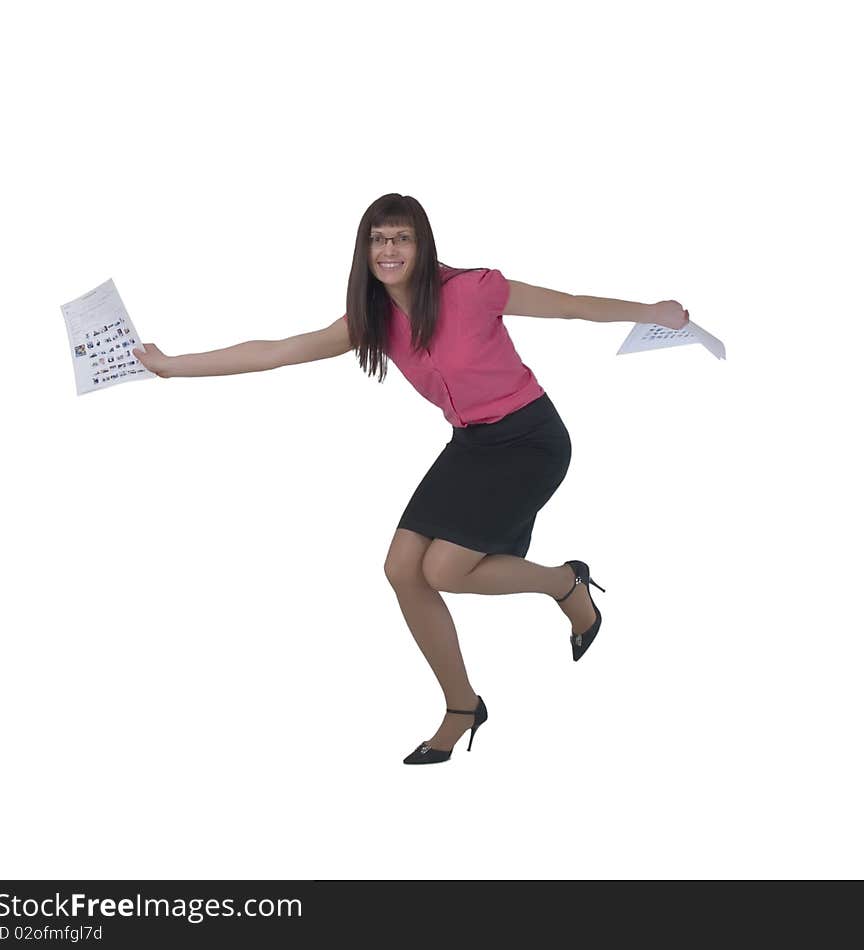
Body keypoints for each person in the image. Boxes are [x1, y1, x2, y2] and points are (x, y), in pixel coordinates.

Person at [133, 193, 690, 766]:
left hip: (531, 441)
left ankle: (563, 584)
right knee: (402, 569)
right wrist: (173, 365)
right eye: (378, 240)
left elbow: (571, 306)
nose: (389, 249)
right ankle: (462, 705)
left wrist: (652, 310)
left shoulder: (475, 289)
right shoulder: (371, 320)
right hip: (472, 444)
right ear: (365, 251)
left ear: (422, 246)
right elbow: (277, 351)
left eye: (401, 238)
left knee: (444, 569)